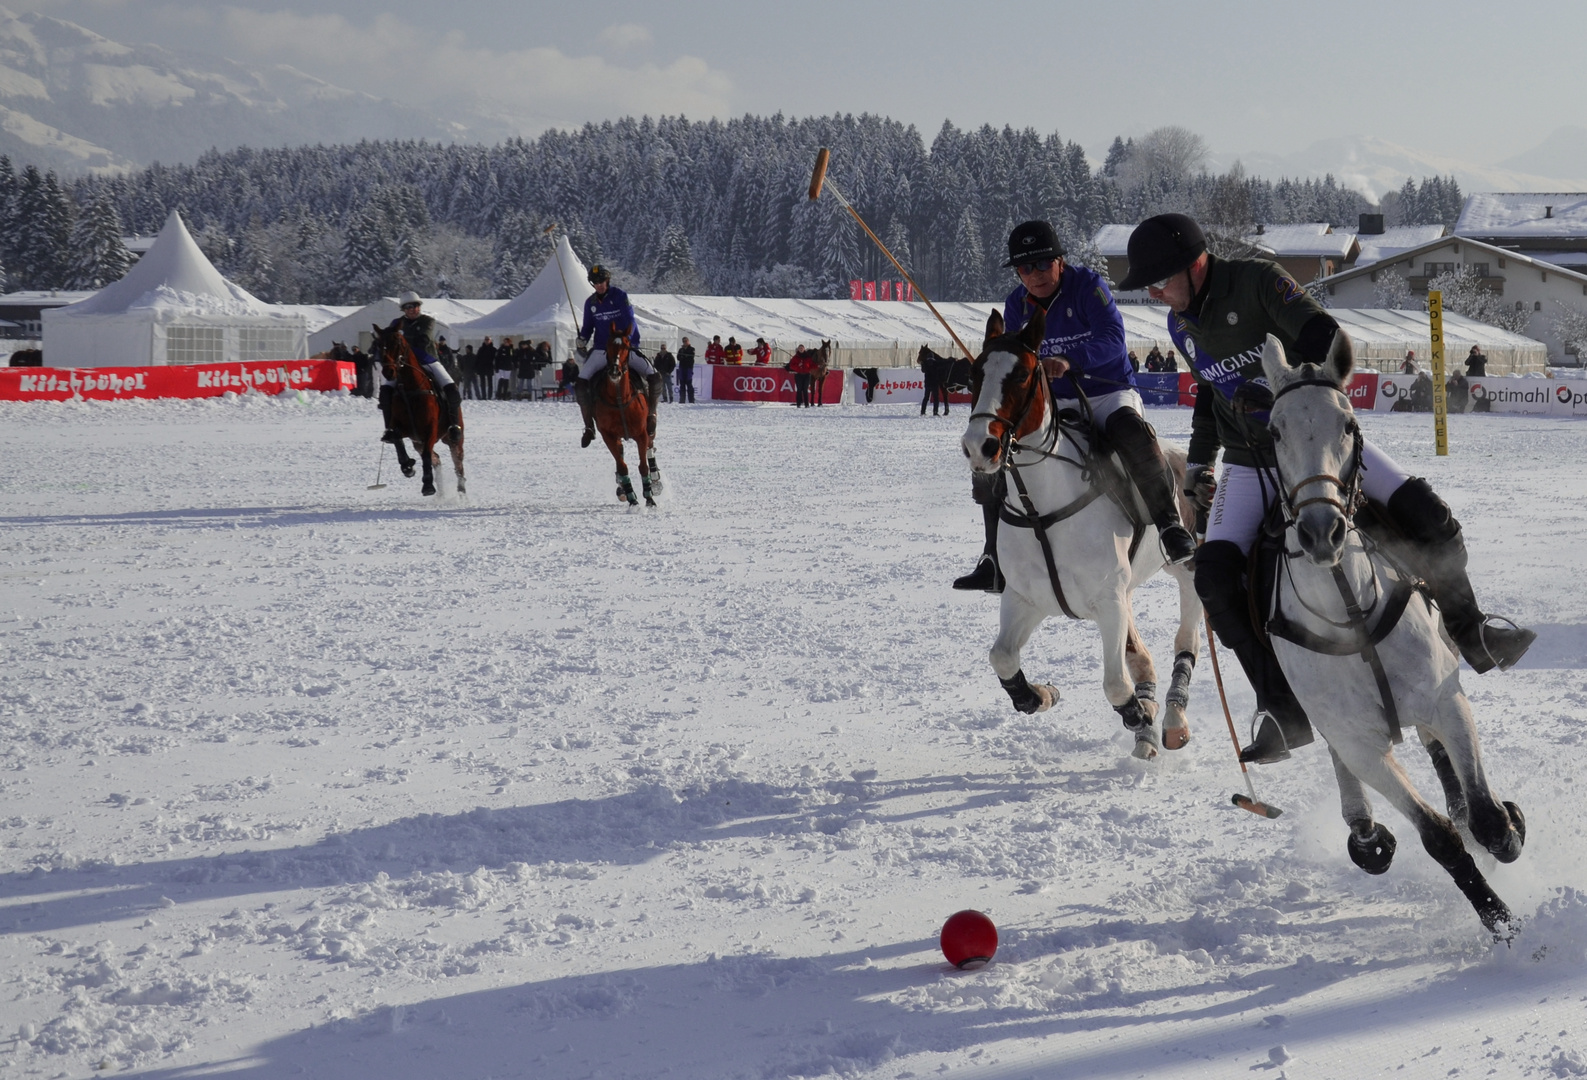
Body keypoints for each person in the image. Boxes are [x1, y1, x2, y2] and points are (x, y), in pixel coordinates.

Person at [1119, 211, 1535, 765]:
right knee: (1215, 579)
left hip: (1316, 445)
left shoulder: (1260, 283)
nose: (1154, 292)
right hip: (1249, 461)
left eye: (1160, 280)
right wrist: (1199, 467)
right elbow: (1209, 397)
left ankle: (1471, 629)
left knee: (1426, 514)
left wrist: (1281, 390)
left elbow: (1323, 335)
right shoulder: (1180, 324)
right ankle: (1279, 707)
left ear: (1194, 266)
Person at [954, 220, 1196, 594]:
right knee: (994, 453)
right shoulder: (1017, 303)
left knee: (1131, 432)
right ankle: (993, 558)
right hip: (1054, 400)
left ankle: (1169, 526)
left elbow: (1114, 340)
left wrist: (1069, 359)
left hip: (1105, 391)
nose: (1033, 275)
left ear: (1060, 261)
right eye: (1024, 268)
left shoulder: (1088, 287)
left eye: (1041, 264)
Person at [575, 264, 660, 445]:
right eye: (595, 282)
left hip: (625, 348)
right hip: (601, 350)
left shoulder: (620, 296)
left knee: (654, 375)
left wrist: (624, 341)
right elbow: (588, 328)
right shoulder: (590, 303)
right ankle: (589, 426)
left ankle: (651, 415)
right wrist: (582, 339)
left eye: (602, 281)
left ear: (608, 281)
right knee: (581, 383)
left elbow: (630, 320)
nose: (599, 285)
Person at [381, 292, 461, 441]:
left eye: (416, 306)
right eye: (409, 307)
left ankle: (454, 426)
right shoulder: (395, 323)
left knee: (451, 389)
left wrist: (402, 346)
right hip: (403, 364)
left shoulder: (427, 321)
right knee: (385, 391)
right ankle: (390, 429)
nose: (413, 309)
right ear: (403, 309)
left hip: (427, 360)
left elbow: (423, 340)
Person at [676, 336, 697, 403]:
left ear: (688, 341)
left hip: (688, 368)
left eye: (686, 341)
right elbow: (678, 357)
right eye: (683, 341)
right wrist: (684, 357)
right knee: (682, 384)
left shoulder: (692, 349)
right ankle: (682, 399)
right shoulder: (681, 349)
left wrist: (684, 357)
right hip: (682, 368)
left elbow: (691, 357)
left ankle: (691, 400)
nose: (685, 342)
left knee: (689, 384)